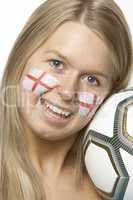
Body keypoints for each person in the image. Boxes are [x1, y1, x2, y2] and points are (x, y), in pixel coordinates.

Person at [0, 0, 132, 200]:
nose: (68, 92)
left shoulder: (116, 187)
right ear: (23, 55)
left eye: (92, 79)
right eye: (57, 63)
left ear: (110, 94)